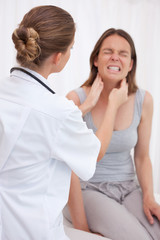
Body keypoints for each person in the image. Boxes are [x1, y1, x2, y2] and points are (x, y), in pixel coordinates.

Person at [0, 7, 128, 240]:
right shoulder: (58, 111)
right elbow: (95, 152)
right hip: (34, 231)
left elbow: (33, 124)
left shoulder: (6, 92)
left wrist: (85, 107)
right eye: (71, 48)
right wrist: (113, 105)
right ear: (59, 57)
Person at [64, 28, 160, 240]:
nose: (115, 57)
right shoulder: (76, 99)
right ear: (96, 60)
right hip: (88, 189)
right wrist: (82, 226)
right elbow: (68, 167)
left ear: (130, 64)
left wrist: (149, 197)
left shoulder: (143, 100)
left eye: (123, 53)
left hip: (128, 187)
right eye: (108, 51)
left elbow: (143, 157)